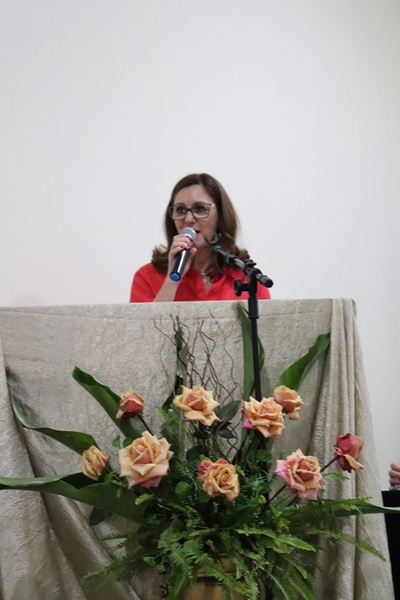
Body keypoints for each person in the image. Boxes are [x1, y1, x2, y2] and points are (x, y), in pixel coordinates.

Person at [130, 173, 272, 302]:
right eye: (180, 210)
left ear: (221, 215)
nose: (188, 219)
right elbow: (149, 323)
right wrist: (172, 280)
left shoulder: (246, 276)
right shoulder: (146, 277)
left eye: (200, 209)